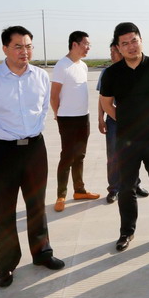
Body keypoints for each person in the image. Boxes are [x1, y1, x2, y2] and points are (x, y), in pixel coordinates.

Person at [0, 26, 65, 289]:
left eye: (28, 46)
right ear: (5, 48)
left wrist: (31, 134)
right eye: (18, 46)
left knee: (37, 205)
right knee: (5, 210)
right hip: (3, 151)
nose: (24, 51)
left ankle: (42, 253)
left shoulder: (41, 77)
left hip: (35, 148)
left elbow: (43, 108)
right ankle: (7, 264)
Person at [99, 22, 149, 252]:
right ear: (118, 47)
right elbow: (106, 104)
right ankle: (126, 232)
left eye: (134, 40)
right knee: (126, 188)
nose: (131, 46)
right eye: (125, 43)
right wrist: (126, 122)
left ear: (141, 40)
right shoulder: (112, 73)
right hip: (127, 140)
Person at [51, 30, 100, 212]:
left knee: (80, 155)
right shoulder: (62, 66)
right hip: (67, 118)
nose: (88, 48)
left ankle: (79, 190)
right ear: (74, 44)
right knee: (67, 157)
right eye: (86, 44)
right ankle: (61, 195)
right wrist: (58, 114)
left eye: (89, 45)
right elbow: (54, 96)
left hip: (83, 117)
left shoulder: (83, 66)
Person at [97, 42, 149, 204]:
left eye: (114, 51)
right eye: (110, 51)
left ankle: (135, 184)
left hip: (134, 121)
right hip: (114, 121)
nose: (111, 55)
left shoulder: (136, 70)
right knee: (113, 155)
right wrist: (100, 118)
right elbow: (102, 99)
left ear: (122, 51)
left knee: (134, 154)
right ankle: (114, 189)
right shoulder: (107, 73)